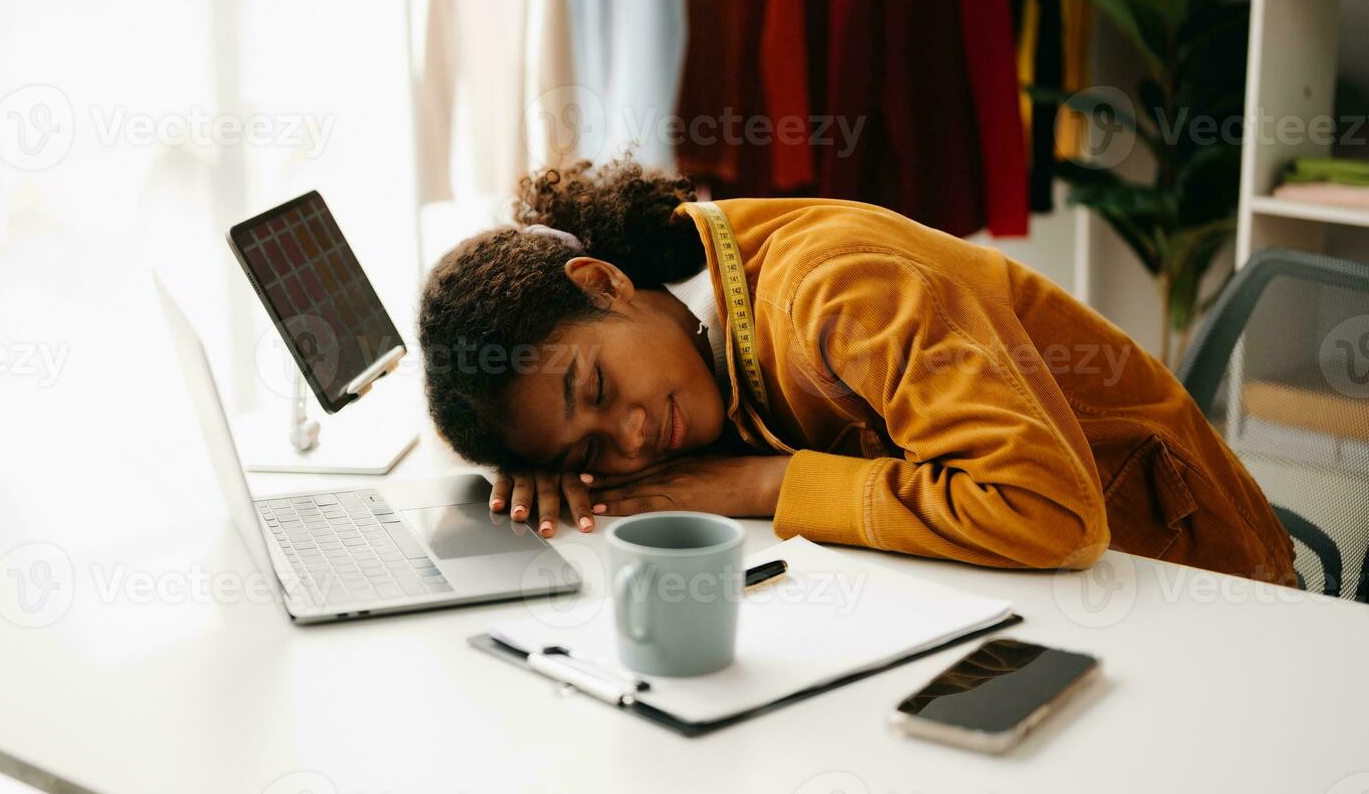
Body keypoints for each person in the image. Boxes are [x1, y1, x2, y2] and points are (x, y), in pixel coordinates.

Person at [416, 157, 1295, 584]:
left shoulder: (837, 287)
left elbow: (1053, 518)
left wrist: (763, 483)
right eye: (592, 450)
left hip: (1211, 590)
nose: (635, 438)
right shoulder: (708, 333)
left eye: (598, 392)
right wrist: (546, 473)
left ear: (604, 282)